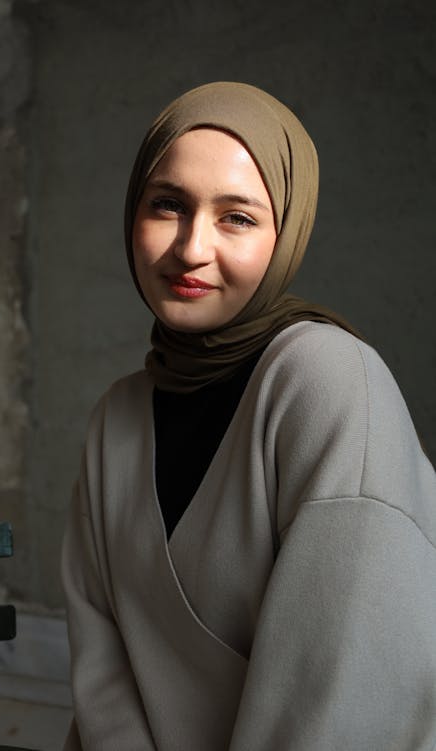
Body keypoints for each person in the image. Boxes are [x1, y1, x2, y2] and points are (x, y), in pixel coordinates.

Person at [61, 82, 436, 751]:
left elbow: (346, 690)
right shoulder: (114, 419)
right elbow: (102, 674)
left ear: (286, 231)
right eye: (168, 205)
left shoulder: (327, 381)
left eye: (236, 217)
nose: (190, 248)